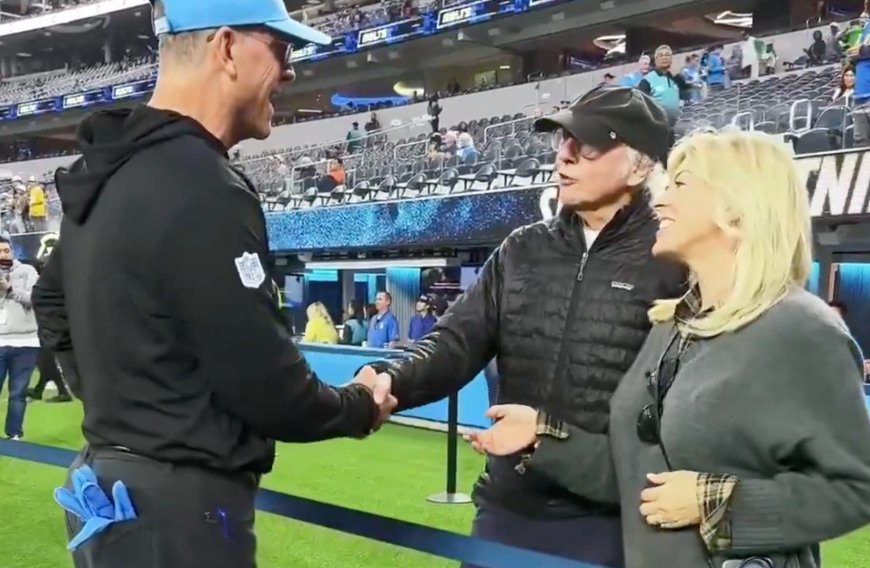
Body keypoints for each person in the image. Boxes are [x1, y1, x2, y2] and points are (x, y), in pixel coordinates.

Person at [31, 1, 396, 567]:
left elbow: (49, 298)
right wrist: (360, 406)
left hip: (108, 483)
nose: (291, 70)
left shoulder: (101, 169)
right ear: (227, 48)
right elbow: (265, 383)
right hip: (176, 508)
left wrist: (119, 405)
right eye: (279, 47)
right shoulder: (204, 182)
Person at [469, 130, 870, 568]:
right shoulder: (672, 324)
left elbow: (856, 486)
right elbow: (639, 472)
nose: (659, 201)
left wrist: (713, 502)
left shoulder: (801, 329)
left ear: (735, 207)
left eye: (680, 185)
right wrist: (543, 436)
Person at [358, 86, 685, 568]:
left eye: (587, 145)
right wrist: (390, 380)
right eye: (562, 141)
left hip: (612, 520)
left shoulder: (672, 258)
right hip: (507, 507)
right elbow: (454, 341)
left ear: (639, 165)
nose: (564, 157)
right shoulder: (521, 249)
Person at [0, 236, 40, 440]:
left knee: (17, 393)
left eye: (6, 251)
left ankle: (14, 434)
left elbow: (34, 299)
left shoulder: (27, 271)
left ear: (12, 251)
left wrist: (9, 289)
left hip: (26, 342)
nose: (3, 255)